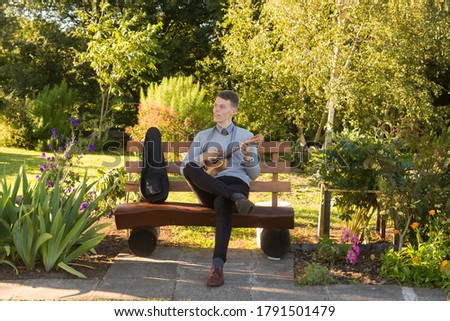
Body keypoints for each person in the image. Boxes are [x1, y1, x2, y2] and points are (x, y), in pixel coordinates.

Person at [180, 90, 261, 287]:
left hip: (236, 183)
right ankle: (235, 198)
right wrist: (203, 157)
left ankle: (217, 267)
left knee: (221, 202)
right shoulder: (203, 135)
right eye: (215, 105)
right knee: (191, 166)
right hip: (211, 187)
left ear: (233, 110)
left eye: (222, 106)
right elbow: (184, 168)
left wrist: (248, 156)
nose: (216, 109)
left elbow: (255, 174)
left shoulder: (246, 136)